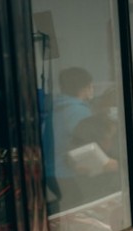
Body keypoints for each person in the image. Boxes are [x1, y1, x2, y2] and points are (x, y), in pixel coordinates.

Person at [48, 67, 94, 212]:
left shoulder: (56, 108)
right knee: (78, 209)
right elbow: (86, 145)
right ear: (86, 87)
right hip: (67, 172)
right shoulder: (79, 111)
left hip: (50, 171)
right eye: (91, 86)